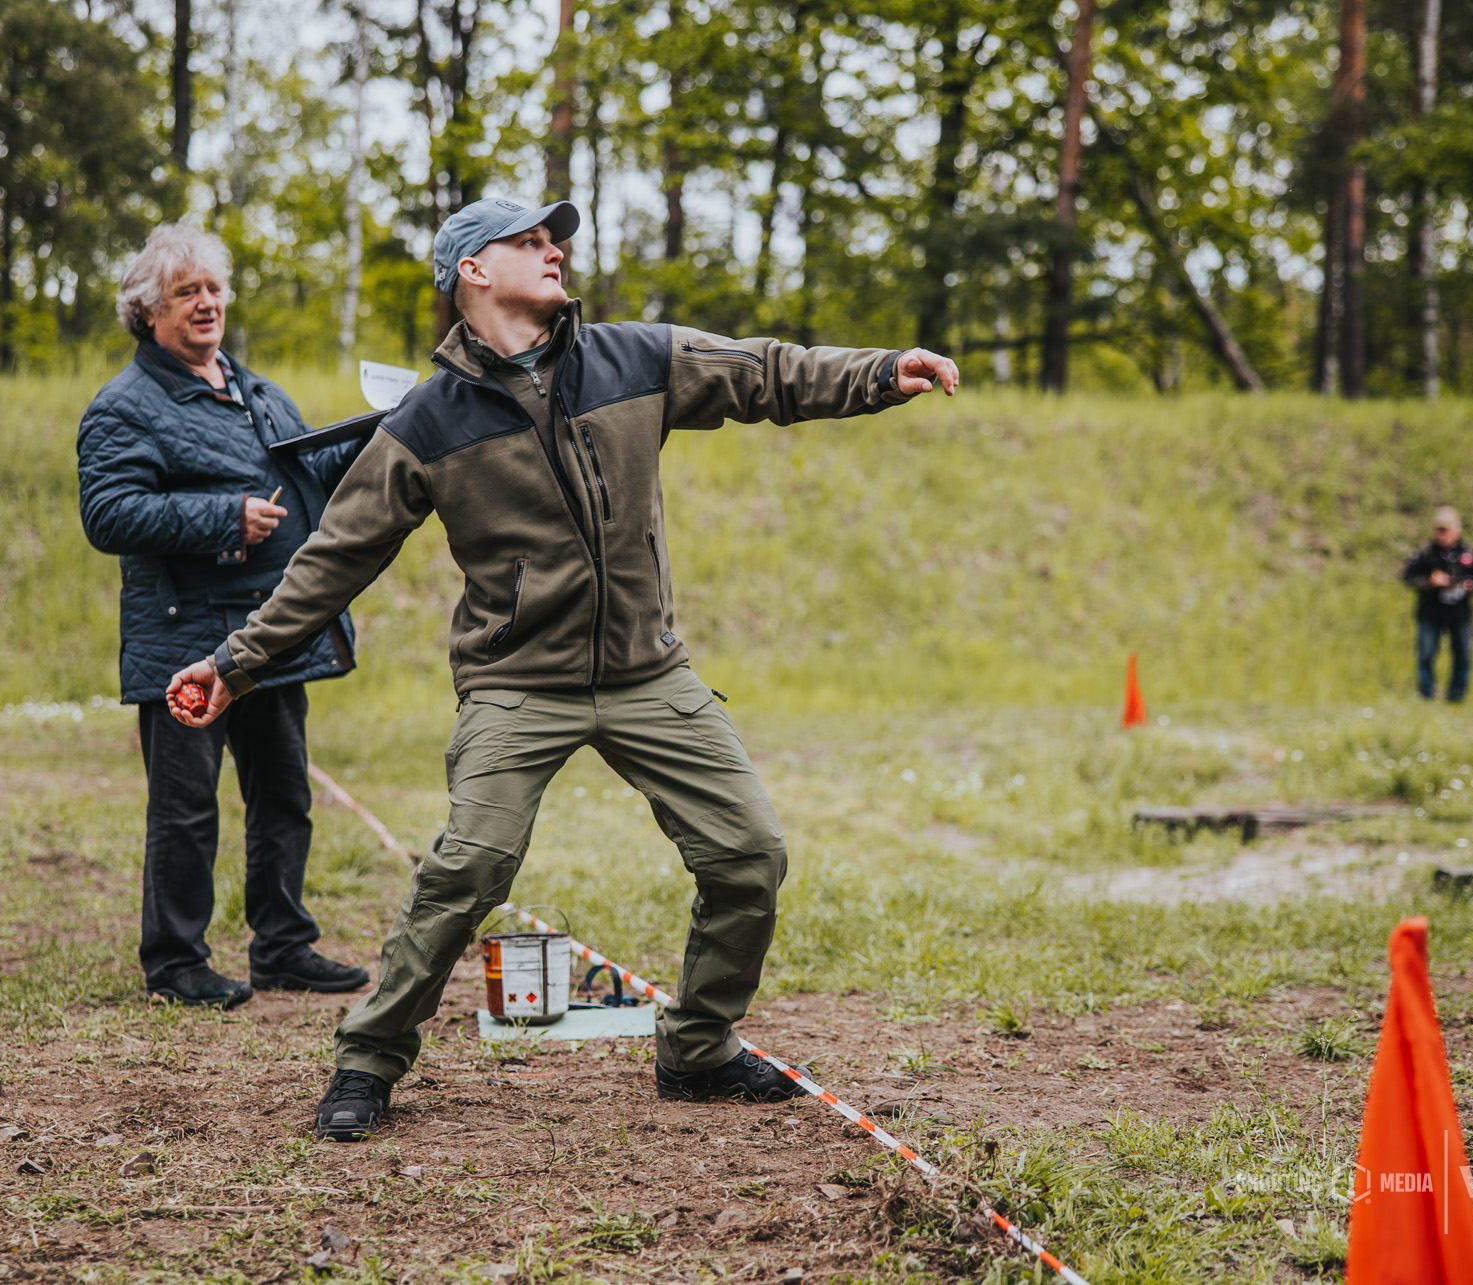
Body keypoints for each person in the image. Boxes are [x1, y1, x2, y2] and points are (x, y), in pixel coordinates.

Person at [167, 196, 961, 1140]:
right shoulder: (425, 422)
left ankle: (698, 1047)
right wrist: (236, 663)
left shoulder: (631, 359)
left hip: (647, 672)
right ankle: (369, 1060)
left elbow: (767, 372)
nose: (554, 253)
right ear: (471, 271)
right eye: (529, 242)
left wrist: (880, 372)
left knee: (751, 854)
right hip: (517, 682)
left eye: (556, 240)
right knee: (471, 865)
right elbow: (334, 558)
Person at [79, 220, 374, 1010]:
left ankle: (283, 946)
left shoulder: (256, 389)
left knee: (283, 796)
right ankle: (176, 963)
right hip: (183, 639)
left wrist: (385, 433)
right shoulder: (122, 407)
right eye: (187, 293)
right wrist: (222, 518)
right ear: (149, 312)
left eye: (213, 288)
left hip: (269, 634)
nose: (206, 303)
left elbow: (308, 473)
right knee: (184, 810)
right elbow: (107, 514)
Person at [1401, 505, 1473, 703]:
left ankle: (1456, 696)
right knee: (1426, 653)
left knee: (1463, 655)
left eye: (1446, 529)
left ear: (1456, 530)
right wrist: (1430, 581)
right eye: (1438, 529)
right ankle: (1426, 694)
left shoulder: (1468, 554)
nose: (1442, 534)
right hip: (1431, 612)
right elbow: (1409, 577)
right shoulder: (1425, 553)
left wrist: (1470, 584)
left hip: (1459, 613)